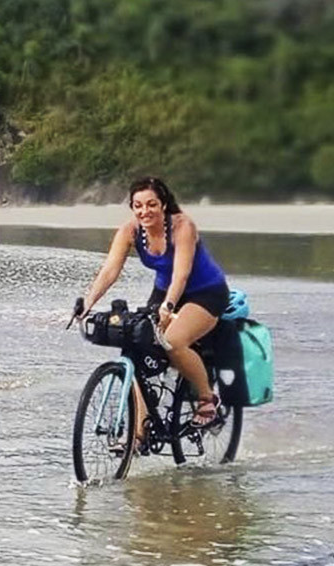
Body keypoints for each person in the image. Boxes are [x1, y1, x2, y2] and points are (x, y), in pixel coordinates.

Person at [79, 176, 229, 428]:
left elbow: (181, 275)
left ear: (163, 205)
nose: (144, 211)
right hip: (163, 291)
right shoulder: (130, 231)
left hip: (205, 292)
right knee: (134, 346)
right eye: (138, 206)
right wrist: (88, 303)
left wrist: (168, 307)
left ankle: (206, 398)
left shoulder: (183, 226)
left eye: (151, 204)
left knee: (173, 341)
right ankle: (141, 428)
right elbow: (109, 271)